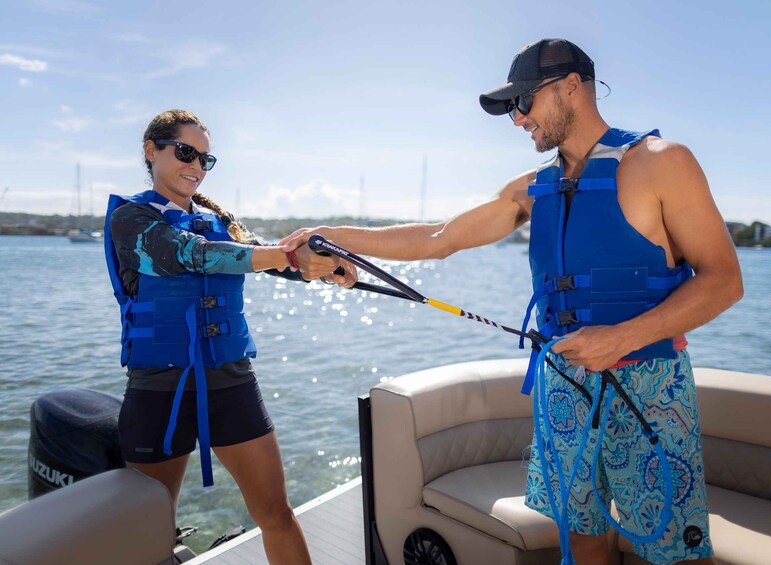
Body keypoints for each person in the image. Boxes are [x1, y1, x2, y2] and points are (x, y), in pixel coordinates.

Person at [280, 39, 742, 564]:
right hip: (564, 385)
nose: (518, 119)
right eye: (511, 109)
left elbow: (724, 280)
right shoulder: (531, 189)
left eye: (524, 102)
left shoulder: (664, 162)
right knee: (580, 535)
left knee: (675, 552)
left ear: (572, 85)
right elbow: (439, 238)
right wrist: (330, 236)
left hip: (649, 387)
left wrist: (621, 337)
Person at [104, 109, 357, 565]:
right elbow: (192, 255)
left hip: (231, 381)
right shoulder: (130, 220)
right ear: (151, 151)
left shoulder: (221, 218)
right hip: (160, 388)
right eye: (186, 153)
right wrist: (282, 254)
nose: (197, 167)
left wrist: (319, 265)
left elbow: (267, 257)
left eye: (206, 159)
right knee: (148, 531)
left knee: (276, 512)